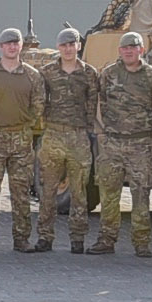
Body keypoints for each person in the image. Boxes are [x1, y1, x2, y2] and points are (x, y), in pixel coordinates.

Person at [92, 30, 152, 256]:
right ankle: (106, 239)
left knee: (141, 194)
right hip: (113, 143)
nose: (129, 51)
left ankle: (141, 242)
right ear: (120, 51)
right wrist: (111, 126)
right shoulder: (109, 74)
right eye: (125, 48)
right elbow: (103, 100)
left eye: (133, 47)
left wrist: (146, 127)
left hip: (140, 144)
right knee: (109, 193)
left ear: (141, 50)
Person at [0, 28, 45, 253]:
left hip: (21, 139)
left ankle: (21, 239)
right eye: (8, 43)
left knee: (21, 191)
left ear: (21, 46)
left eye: (15, 43)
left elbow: (38, 105)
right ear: (1, 47)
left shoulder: (33, 75)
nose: (12, 47)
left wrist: (23, 123)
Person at [37, 27, 101, 254]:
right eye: (64, 45)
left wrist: (87, 129)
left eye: (71, 44)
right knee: (48, 190)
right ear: (58, 47)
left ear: (78, 46)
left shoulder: (89, 73)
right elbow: (40, 101)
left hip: (78, 137)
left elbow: (92, 103)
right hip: (53, 135)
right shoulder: (47, 72)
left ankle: (77, 237)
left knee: (79, 191)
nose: (68, 49)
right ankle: (45, 236)